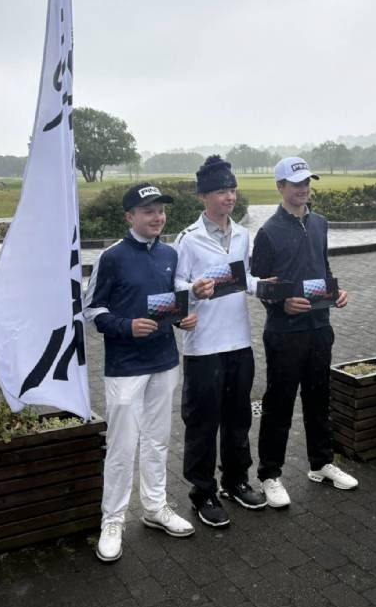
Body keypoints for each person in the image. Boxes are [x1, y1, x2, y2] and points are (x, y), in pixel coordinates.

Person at [84, 182, 198, 562]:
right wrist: (126, 326)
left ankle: (154, 507)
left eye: (161, 210)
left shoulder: (169, 253)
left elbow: (169, 304)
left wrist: (181, 319)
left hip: (164, 361)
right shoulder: (112, 257)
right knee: (122, 445)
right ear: (129, 216)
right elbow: (92, 310)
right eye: (148, 211)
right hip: (126, 367)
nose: (157, 217)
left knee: (157, 440)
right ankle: (113, 519)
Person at [251, 156, 358, 508]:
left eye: (306, 182)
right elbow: (260, 285)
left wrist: (335, 291)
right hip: (284, 332)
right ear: (280, 187)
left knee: (319, 398)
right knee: (279, 405)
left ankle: (321, 463)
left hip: (319, 327)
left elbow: (322, 267)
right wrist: (280, 304)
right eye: (295, 184)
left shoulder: (320, 223)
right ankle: (269, 475)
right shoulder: (268, 232)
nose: (303, 189)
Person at [175, 155, 267, 527]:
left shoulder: (242, 234)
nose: (229, 197)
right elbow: (174, 284)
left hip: (239, 342)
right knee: (202, 424)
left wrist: (266, 287)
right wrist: (192, 290)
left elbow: (245, 277)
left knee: (238, 418)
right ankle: (203, 493)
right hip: (203, 347)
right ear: (203, 196)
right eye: (220, 191)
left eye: (232, 190)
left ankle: (235, 481)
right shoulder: (187, 239)